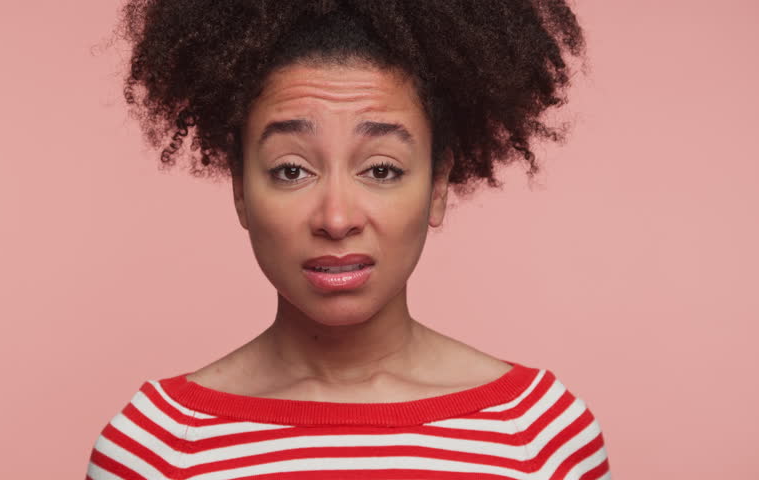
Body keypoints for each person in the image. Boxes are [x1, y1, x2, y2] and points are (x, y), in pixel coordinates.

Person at [86, 1, 611, 478]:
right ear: (241, 190)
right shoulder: (156, 447)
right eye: (292, 170)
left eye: (381, 170)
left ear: (437, 187)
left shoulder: (541, 437)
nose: (336, 218)